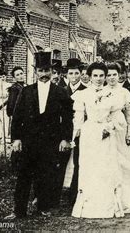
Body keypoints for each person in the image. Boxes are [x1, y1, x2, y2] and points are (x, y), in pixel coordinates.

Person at [5, 51, 73, 219]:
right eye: (41, 71)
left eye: (47, 70)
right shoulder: (26, 91)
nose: (44, 74)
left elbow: (67, 118)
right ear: (35, 72)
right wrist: (16, 138)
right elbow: (17, 116)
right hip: (28, 140)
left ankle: (43, 207)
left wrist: (65, 138)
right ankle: (18, 210)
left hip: (50, 141)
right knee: (24, 175)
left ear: (52, 71)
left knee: (46, 174)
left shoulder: (60, 92)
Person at [71, 62, 130, 218]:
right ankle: (88, 205)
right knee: (90, 167)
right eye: (95, 75)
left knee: (106, 167)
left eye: (102, 75)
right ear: (89, 76)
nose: (99, 79)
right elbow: (79, 118)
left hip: (106, 132)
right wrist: (74, 137)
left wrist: (110, 127)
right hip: (90, 133)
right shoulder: (83, 94)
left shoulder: (114, 94)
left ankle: (108, 204)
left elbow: (118, 116)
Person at [59, 58, 88, 206]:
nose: (74, 76)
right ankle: (55, 194)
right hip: (64, 130)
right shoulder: (61, 90)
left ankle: (75, 194)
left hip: (80, 131)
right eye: (71, 73)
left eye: (77, 73)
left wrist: (82, 129)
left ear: (81, 73)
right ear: (67, 75)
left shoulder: (86, 89)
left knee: (78, 161)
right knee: (61, 160)